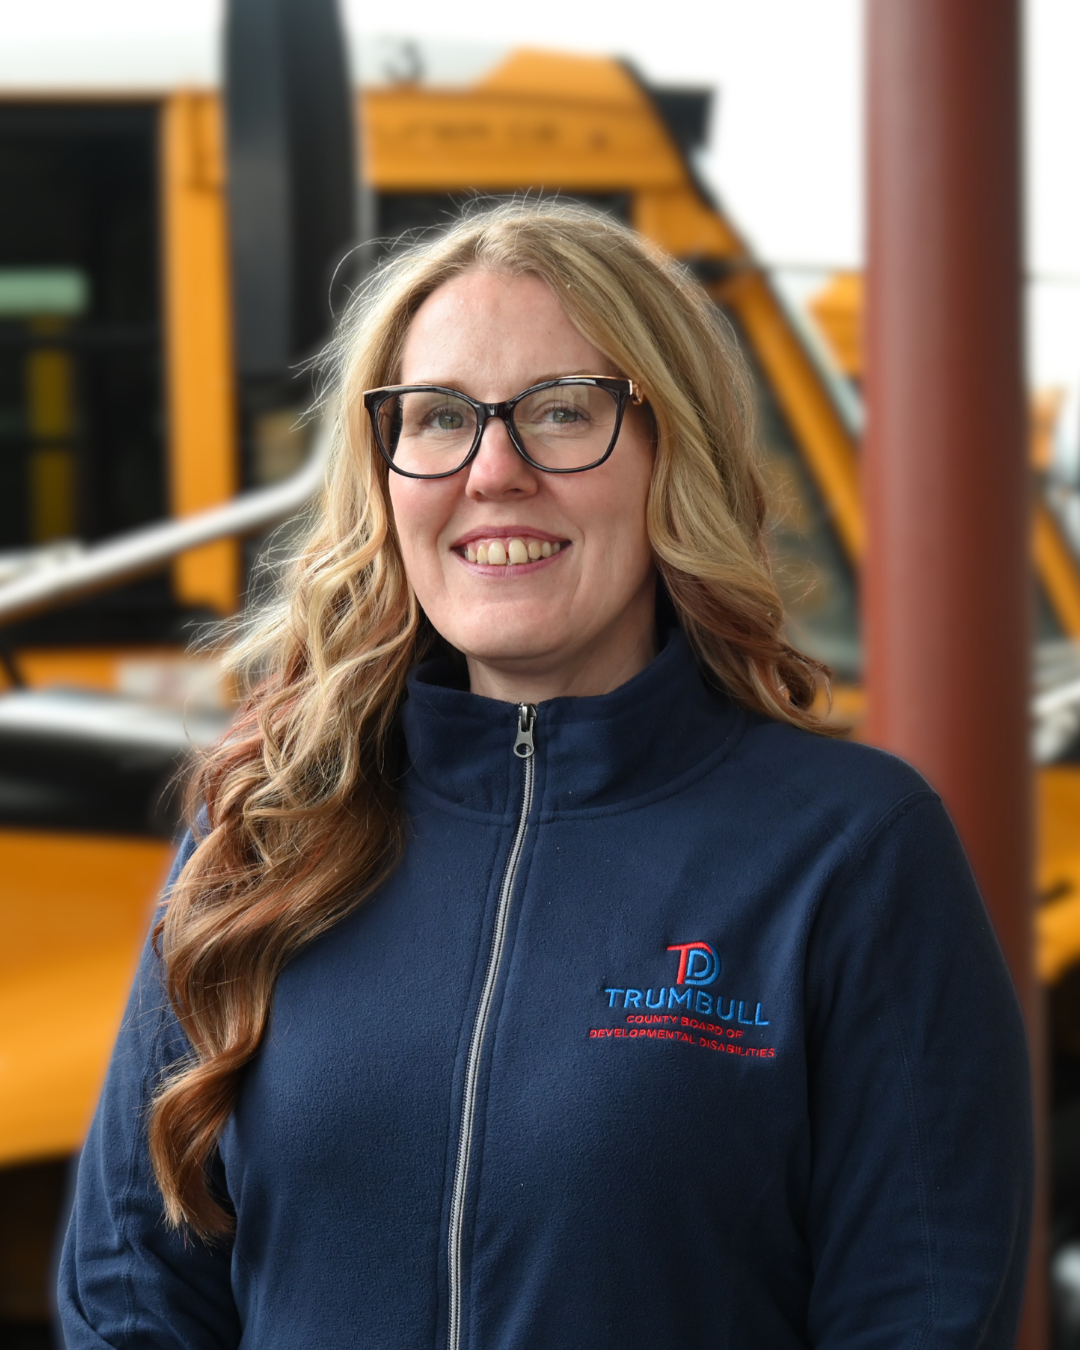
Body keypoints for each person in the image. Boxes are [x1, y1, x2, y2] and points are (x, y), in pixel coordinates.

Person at [59, 200, 1032, 1349]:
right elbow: (132, 1290)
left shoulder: (851, 853)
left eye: (563, 413)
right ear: (384, 472)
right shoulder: (267, 827)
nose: (495, 470)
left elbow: (916, 1313)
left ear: (674, 452)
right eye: (436, 419)